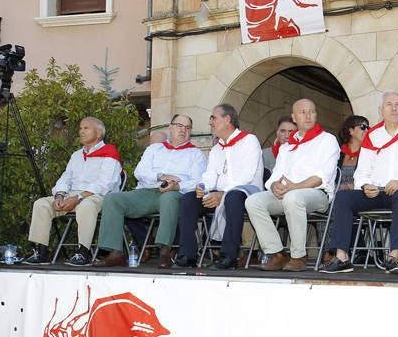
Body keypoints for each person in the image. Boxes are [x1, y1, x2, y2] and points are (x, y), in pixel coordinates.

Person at [323, 90, 398, 274]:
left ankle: (394, 256)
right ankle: (342, 257)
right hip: (375, 192)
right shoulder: (372, 136)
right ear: (381, 110)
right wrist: (365, 186)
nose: (393, 108)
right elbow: (362, 171)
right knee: (343, 198)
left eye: (397, 105)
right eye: (389, 104)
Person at [95, 114, 206, 268]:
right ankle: (115, 252)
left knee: (169, 198)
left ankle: (164, 250)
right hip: (148, 190)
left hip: (175, 193)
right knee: (113, 199)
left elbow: (198, 180)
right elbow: (139, 172)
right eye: (179, 126)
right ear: (170, 127)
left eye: (187, 127)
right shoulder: (155, 149)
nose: (183, 130)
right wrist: (160, 176)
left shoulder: (196, 154)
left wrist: (178, 186)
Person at [245, 98, 339, 272]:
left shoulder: (327, 140)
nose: (308, 115)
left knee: (293, 198)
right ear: (294, 117)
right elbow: (276, 175)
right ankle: (277, 253)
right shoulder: (287, 146)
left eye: (311, 111)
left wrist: (294, 187)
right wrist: (274, 185)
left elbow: (321, 177)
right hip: (287, 193)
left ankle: (298, 256)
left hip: (317, 194)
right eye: (303, 112)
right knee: (253, 201)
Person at [22, 117, 122, 267]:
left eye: (86, 128)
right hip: (73, 195)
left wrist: (78, 197)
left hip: (98, 196)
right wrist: (60, 195)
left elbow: (104, 184)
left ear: (99, 132)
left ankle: (84, 252)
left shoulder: (109, 153)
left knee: (86, 205)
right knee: (41, 204)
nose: (81, 131)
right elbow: (66, 178)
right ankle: (41, 251)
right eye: (80, 128)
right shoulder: (76, 155)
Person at [174, 104, 264, 268]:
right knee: (189, 199)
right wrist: (202, 187)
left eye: (213, 118)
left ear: (227, 119)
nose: (210, 122)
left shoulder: (249, 140)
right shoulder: (216, 149)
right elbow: (209, 176)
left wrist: (222, 194)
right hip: (219, 194)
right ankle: (188, 254)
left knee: (232, 197)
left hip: (248, 192)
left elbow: (246, 176)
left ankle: (229, 256)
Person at [336, 115, 370, 190]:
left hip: (357, 197)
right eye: (363, 127)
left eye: (368, 128)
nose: (367, 131)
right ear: (351, 130)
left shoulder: (368, 154)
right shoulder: (337, 152)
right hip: (337, 197)